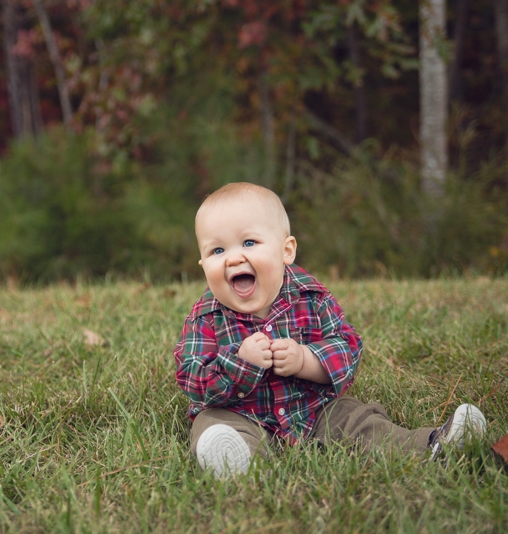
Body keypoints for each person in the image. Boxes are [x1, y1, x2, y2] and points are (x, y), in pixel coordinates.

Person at [174, 182, 486, 477]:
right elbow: (192, 379)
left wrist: (305, 360)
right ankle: (237, 462)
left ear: (286, 251)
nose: (233, 258)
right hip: (240, 413)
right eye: (217, 251)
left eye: (249, 243)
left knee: (357, 420)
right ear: (203, 266)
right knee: (212, 423)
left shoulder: (311, 297)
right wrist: (239, 363)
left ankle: (432, 445)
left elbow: (347, 349)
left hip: (313, 409)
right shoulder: (205, 317)